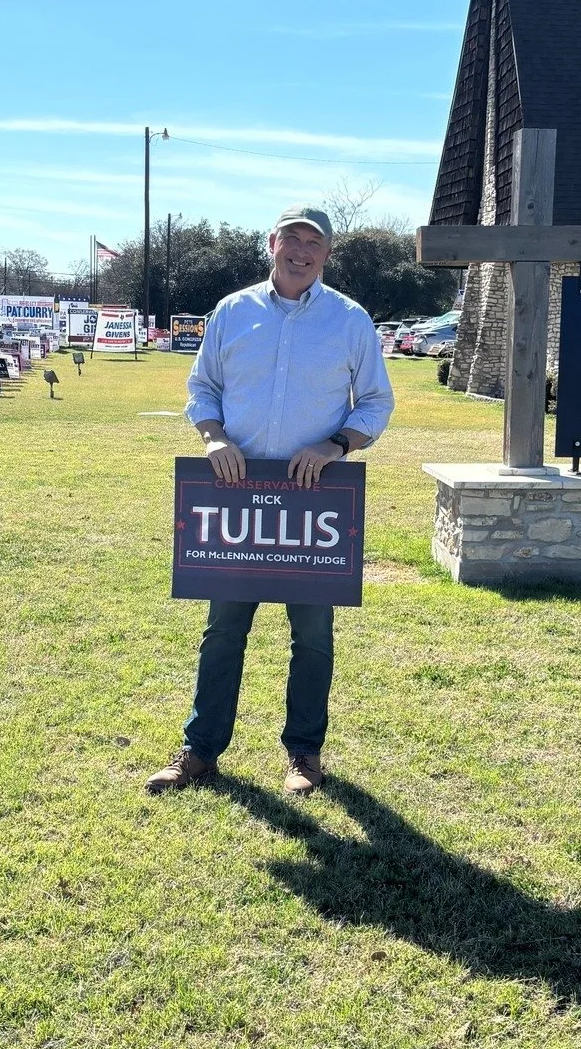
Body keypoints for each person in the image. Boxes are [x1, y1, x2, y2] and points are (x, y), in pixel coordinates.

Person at [147, 204, 395, 798]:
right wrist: (214, 437)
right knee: (223, 632)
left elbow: (376, 403)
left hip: (314, 502)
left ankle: (304, 755)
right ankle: (200, 750)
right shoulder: (232, 313)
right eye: (292, 238)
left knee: (312, 637)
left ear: (327, 254)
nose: (301, 250)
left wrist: (335, 444)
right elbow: (202, 388)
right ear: (271, 243)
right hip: (236, 497)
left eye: (314, 242)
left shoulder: (350, 320)